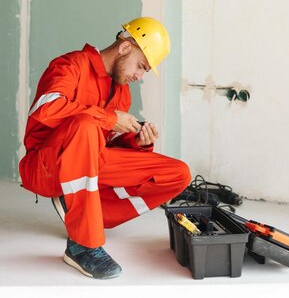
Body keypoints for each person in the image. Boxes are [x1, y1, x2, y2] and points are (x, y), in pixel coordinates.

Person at [18, 17, 191, 279]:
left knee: (178, 173)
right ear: (124, 48)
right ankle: (83, 245)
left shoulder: (121, 91)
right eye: (141, 66)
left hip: (88, 161)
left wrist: (136, 141)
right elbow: (44, 110)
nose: (139, 76)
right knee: (86, 126)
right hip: (45, 166)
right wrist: (109, 118)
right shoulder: (71, 65)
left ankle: (88, 213)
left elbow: (106, 143)